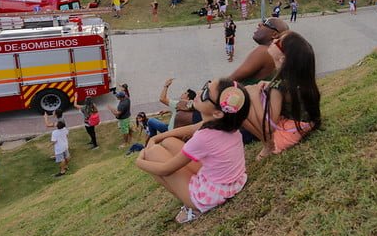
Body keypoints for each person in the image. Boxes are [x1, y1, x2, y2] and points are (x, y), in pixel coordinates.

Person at [135, 78, 251, 224]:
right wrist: (156, 138)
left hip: (208, 196)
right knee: (168, 141)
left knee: (152, 153)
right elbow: (190, 129)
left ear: (217, 113)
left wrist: (140, 161)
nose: (198, 92)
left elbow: (165, 169)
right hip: (229, 183)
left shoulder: (204, 137)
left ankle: (192, 207)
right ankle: (187, 199)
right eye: (205, 87)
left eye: (205, 94)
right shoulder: (223, 125)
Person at [241, 31, 321, 160]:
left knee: (241, 110)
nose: (273, 41)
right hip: (304, 122)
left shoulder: (279, 86)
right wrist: (268, 85)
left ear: (282, 58)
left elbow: (268, 125)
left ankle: (268, 146)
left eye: (278, 42)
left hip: (288, 132)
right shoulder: (292, 78)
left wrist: (254, 95)